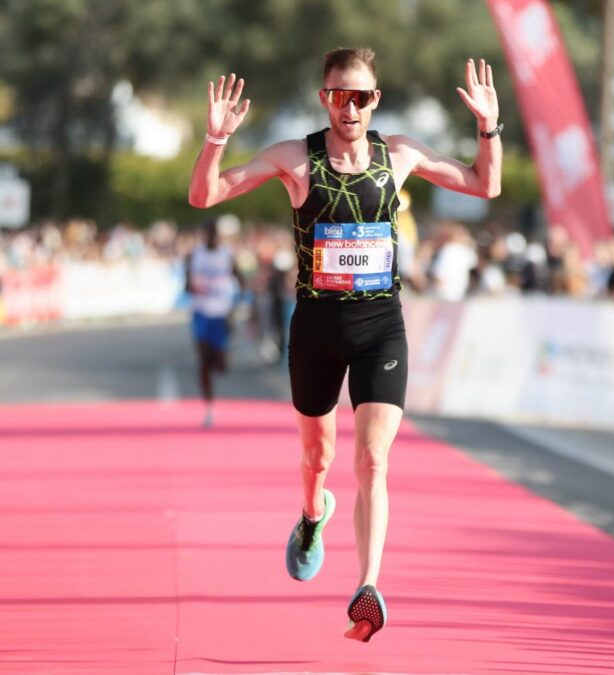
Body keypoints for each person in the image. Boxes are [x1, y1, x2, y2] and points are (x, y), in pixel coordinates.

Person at [186, 47, 501, 642]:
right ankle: (311, 515)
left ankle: (368, 587)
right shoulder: (295, 159)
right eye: (338, 96)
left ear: (374, 100)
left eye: (360, 97)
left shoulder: (399, 154)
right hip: (316, 328)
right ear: (324, 97)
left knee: (374, 459)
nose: (349, 107)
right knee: (318, 459)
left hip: (381, 324)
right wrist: (214, 139)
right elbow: (205, 197)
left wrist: (488, 126)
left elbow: (487, 184)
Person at [185, 217, 242, 427]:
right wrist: (194, 287)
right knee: (203, 361)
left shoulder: (227, 254)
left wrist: (238, 305)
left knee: (220, 365)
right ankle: (208, 406)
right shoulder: (195, 255)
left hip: (222, 313)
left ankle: (220, 358)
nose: (210, 236)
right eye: (206, 232)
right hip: (201, 312)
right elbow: (186, 285)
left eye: (213, 232)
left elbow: (240, 278)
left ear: (218, 235)